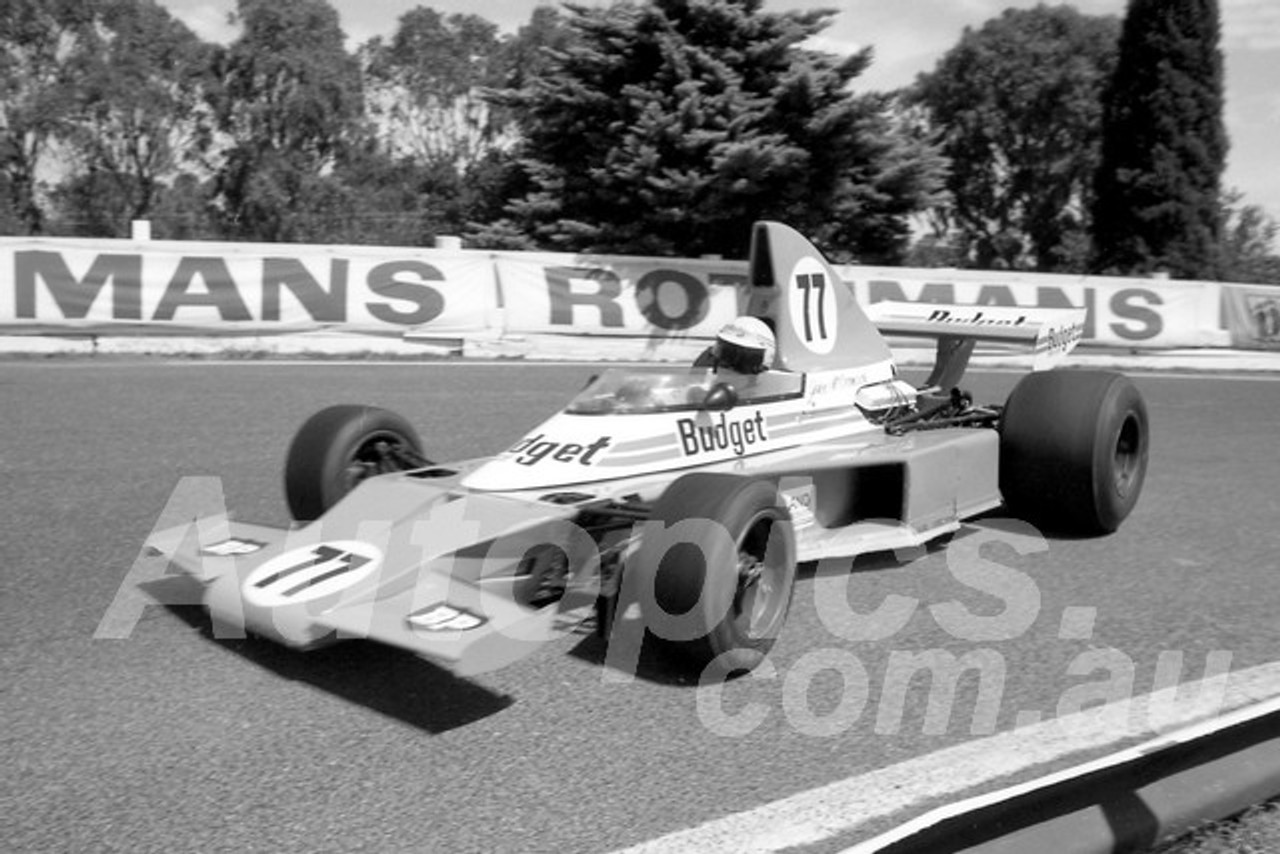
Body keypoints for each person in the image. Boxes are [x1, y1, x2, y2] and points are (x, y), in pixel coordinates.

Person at [695, 317, 777, 374]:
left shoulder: (770, 392)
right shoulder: (707, 364)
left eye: (742, 360)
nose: (726, 366)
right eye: (725, 354)